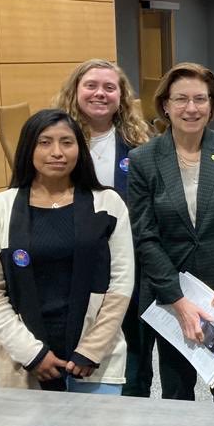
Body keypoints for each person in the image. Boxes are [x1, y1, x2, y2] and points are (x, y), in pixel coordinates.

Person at [128, 63, 214, 404]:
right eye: (181, 99)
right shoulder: (144, 160)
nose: (191, 108)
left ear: (212, 104)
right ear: (165, 104)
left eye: (200, 99)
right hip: (171, 298)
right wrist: (178, 301)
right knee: (177, 396)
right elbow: (144, 236)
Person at [0, 109, 133, 392]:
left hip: (96, 360)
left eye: (67, 142)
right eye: (45, 142)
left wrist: (92, 349)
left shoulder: (108, 203)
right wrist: (32, 354)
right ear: (27, 149)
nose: (57, 152)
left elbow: (120, 284)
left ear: (80, 150)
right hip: (24, 363)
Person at [54, 59, 154, 397]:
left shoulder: (139, 143)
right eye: (91, 85)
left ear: (121, 96)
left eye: (109, 87)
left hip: (129, 262)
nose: (100, 93)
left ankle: (136, 409)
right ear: (76, 91)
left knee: (135, 351)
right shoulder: (57, 140)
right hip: (72, 261)